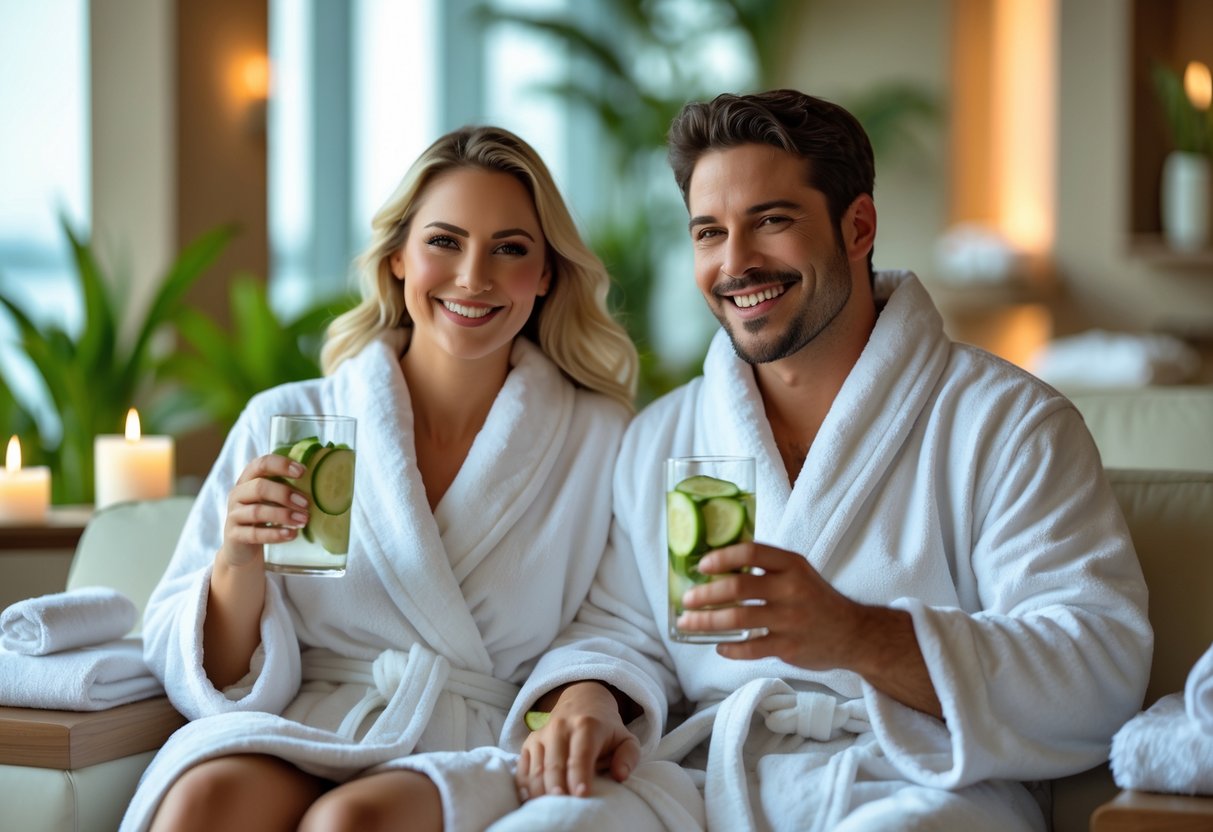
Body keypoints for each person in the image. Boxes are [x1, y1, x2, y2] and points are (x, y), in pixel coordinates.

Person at [493, 90, 1154, 831]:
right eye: (709, 232)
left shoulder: (1007, 423)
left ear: (857, 227)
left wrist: (856, 634)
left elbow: (1096, 669)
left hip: (920, 785)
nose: (735, 263)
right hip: (707, 779)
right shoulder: (664, 435)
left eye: (771, 221)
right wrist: (589, 696)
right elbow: (618, 628)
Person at [120, 125, 638, 832]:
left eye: (509, 249)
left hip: (469, 734)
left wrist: (585, 698)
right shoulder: (292, 417)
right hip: (309, 718)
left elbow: (613, 624)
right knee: (202, 803)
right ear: (397, 257)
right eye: (444, 242)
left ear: (546, 273)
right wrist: (236, 561)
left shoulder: (597, 438)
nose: (472, 277)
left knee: (349, 823)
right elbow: (211, 668)